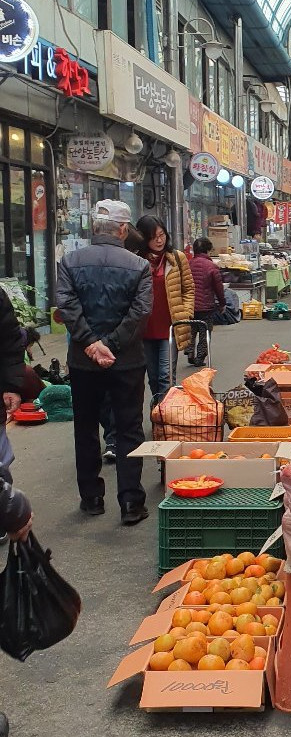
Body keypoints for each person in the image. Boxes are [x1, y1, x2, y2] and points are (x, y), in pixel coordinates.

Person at [57, 200, 152, 525]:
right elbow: (140, 312)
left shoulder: (70, 261)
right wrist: (110, 344)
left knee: (85, 428)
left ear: (94, 228)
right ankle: (130, 502)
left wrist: (91, 343)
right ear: (124, 230)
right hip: (126, 361)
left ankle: (92, 498)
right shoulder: (139, 266)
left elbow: (67, 305)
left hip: (83, 362)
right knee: (128, 428)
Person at [135, 215, 194, 398]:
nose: (159, 240)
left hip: (170, 327)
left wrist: (186, 312)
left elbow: (189, 288)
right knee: (152, 377)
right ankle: (159, 413)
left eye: (162, 235)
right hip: (145, 329)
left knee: (166, 376)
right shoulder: (136, 261)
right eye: (153, 237)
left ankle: (167, 417)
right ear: (144, 238)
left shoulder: (176, 258)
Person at [101, 223, 144, 461]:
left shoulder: (136, 266)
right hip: (121, 346)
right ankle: (116, 440)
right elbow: (138, 311)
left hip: (103, 345)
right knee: (117, 399)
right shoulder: (135, 267)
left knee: (113, 399)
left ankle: (115, 439)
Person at [187, 237, 225, 367]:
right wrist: (222, 303)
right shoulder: (211, 266)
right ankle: (200, 357)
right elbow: (218, 287)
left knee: (191, 329)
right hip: (206, 306)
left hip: (190, 305)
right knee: (204, 332)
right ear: (208, 250)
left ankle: (189, 349)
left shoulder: (188, 264)